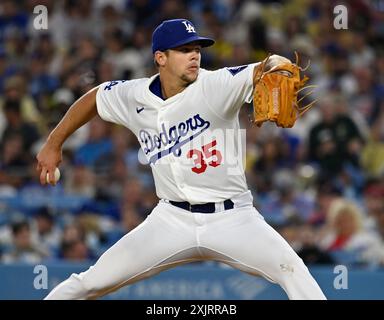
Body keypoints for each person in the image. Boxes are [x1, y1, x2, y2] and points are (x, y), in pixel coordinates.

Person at [37, 19, 326, 300]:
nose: (195, 56)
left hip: (233, 217)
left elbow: (265, 66)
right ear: (160, 57)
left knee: (293, 270)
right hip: (171, 220)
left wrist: (277, 64)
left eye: (197, 50)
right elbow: (95, 97)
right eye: (185, 50)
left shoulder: (216, 85)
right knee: (90, 283)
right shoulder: (134, 95)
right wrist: (53, 143)